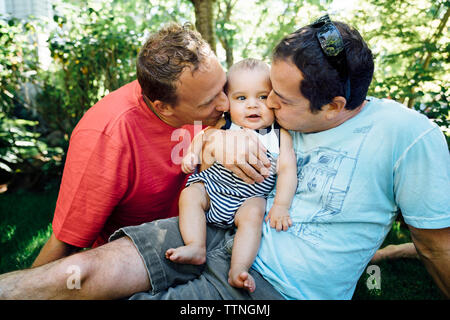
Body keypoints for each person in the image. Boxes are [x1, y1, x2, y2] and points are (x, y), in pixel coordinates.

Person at [1, 15, 449, 300]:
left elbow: (436, 244)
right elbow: (217, 121)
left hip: (270, 281)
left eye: (280, 99)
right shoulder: (277, 105)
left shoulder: (406, 137)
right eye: (266, 90)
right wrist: (215, 143)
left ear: (333, 105)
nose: (265, 105)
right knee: (76, 276)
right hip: (207, 225)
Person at [30, 22, 233, 267]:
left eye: (224, 87)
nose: (227, 104)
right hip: (142, 253)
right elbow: (66, 242)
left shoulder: (208, 93)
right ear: (164, 108)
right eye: (210, 102)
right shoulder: (105, 137)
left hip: (214, 231)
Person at [165, 58, 297, 293]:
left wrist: (281, 206)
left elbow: (287, 170)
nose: (252, 105)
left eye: (262, 97)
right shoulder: (224, 126)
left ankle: (238, 268)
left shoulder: (278, 135)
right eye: (241, 98)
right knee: (190, 194)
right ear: (228, 102)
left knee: (256, 212)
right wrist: (191, 155)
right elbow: (202, 137)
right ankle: (196, 245)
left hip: (247, 199)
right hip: (212, 189)